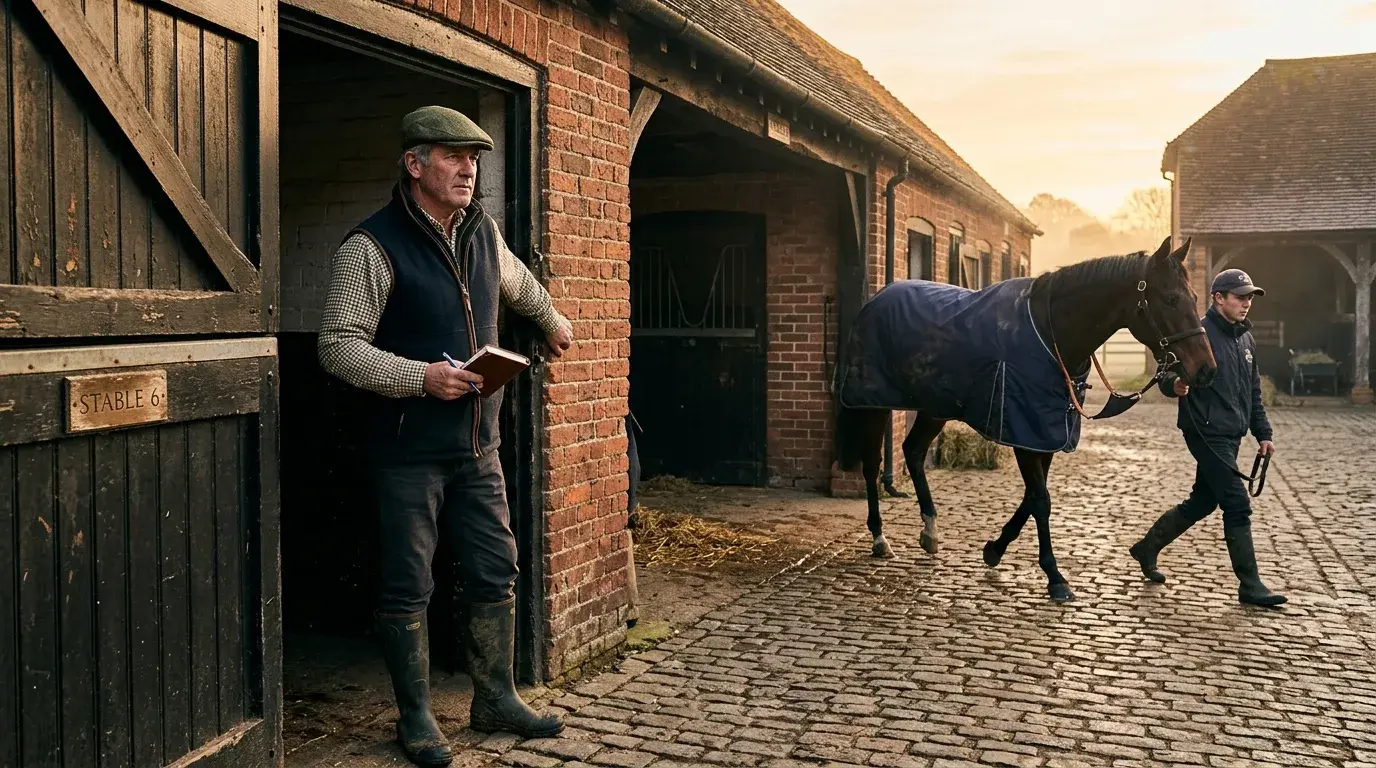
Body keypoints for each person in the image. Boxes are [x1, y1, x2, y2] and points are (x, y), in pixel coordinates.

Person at [318, 105, 572, 766]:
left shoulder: (482, 231)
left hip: (478, 448)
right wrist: (419, 377)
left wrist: (551, 320)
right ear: (414, 164)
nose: (469, 169)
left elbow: (518, 283)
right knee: (408, 584)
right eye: (454, 156)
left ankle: (496, 698)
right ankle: (417, 717)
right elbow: (337, 347)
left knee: (495, 568)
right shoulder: (370, 246)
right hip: (406, 452)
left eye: (474, 159)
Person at [1129, 268, 1286, 607]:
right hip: (1204, 430)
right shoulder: (1196, 332)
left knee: (1203, 500)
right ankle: (1250, 585)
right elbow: (1166, 372)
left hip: (1231, 433)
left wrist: (1263, 433)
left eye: (1249, 298)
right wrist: (1173, 384)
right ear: (1218, 298)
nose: (1246, 303)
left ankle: (1147, 548)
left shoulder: (1245, 339)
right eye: (1240, 297)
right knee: (1237, 503)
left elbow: (1253, 391)